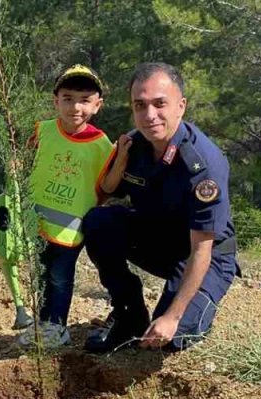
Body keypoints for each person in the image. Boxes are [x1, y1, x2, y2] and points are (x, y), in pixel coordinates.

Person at [85, 62, 240, 353]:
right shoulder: (132, 146)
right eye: (139, 105)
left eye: (160, 104)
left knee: (170, 337)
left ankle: (192, 313)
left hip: (204, 254)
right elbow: (106, 192)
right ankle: (128, 315)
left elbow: (201, 249)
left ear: (181, 106)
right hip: (158, 240)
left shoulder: (202, 164)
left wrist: (172, 316)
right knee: (98, 222)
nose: (149, 115)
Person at [16, 65, 113, 349]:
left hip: (71, 229)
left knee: (59, 277)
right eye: (68, 98)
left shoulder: (101, 145)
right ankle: (45, 323)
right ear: (55, 100)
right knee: (42, 274)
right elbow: (25, 164)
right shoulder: (42, 131)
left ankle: (57, 326)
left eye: (84, 100)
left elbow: (105, 188)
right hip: (37, 222)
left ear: (97, 105)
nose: (75, 107)